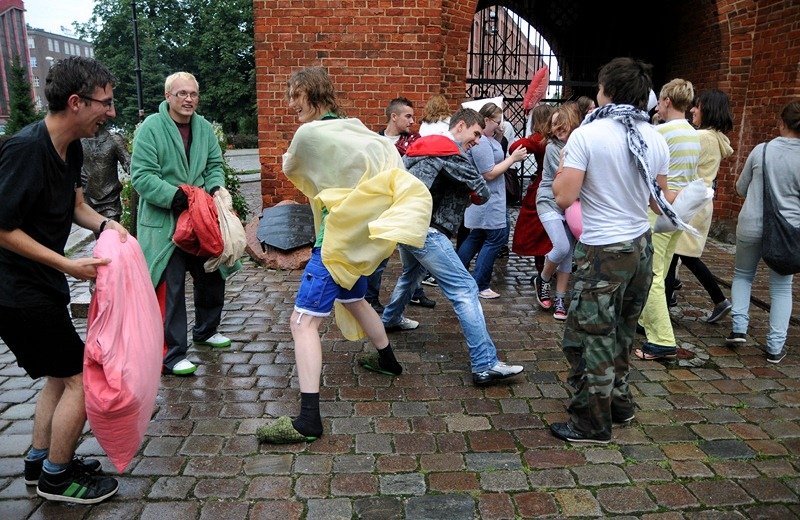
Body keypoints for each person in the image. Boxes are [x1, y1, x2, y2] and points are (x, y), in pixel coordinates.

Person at [257, 67, 430, 443]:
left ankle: (307, 420)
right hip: (362, 239)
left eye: (294, 96)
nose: (290, 105)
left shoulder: (310, 134)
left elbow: (292, 166)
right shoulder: (357, 129)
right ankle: (388, 361)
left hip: (333, 240)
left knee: (302, 323)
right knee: (355, 298)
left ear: (311, 95)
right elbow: (387, 161)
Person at [0, 56, 125, 504]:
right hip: (15, 291)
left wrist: (108, 227)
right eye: (104, 103)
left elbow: (76, 207)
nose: (110, 112)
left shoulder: (71, 148)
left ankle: (39, 462)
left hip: (41, 287)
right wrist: (67, 265)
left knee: (58, 375)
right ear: (76, 102)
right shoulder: (24, 149)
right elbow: (1, 226)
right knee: (82, 377)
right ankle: (58, 477)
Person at [549, 57, 670, 444]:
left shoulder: (589, 135)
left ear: (608, 92)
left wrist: (560, 176)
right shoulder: (654, 136)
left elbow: (566, 196)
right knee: (622, 331)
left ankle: (591, 423)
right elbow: (658, 202)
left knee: (590, 337)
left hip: (603, 250)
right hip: (640, 247)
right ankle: (619, 404)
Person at [381, 108, 525, 385]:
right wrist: (469, 195)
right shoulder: (450, 152)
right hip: (429, 231)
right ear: (461, 126)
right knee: (466, 289)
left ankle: (390, 319)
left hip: (407, 226)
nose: (477, 141)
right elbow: (482, 190)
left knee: (411, 274)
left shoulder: (416, 149)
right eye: (475, 134)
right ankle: (485, 364)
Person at [131, 72, 238, 376]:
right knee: (171, 286)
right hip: (165, 222)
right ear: (168, 97)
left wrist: (216, 188)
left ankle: (206, 330)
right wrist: (177, 197)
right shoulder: (151, 128)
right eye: (181, 94)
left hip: (201, 217)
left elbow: (215, 165)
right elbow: (142, 175)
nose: (189, 99)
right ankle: (172, 354)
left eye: (193, 93)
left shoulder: (204, 128)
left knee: (212, 273)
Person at [726, 100, 800, 364]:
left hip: (751, 223)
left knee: (743, 275)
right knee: (781, 288)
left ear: (781, 123)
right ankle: (774, 346)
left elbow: (741, 188)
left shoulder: (761, 151)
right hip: (787, 231)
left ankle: (738, 328)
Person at [636, 78, 700, 361]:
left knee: (653, 274)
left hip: (658, 211)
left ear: (666, 101)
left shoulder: (661, 132)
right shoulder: (693, 133)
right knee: (661, 268)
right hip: (680, 211)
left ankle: (661, 339)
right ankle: (644, 320)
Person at [665, 90, 734, 322]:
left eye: (698, 106)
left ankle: (663, 309)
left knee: (674, 254)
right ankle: (718, 300)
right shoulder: (714, 138)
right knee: (683, 255)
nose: (693, 110)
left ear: (708, 110)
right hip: (699, 203)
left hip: (690, 202)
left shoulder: (702, 138)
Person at [367, 97, 434, 312]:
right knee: (381, 253)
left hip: (405, 202)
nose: (412, 121)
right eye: (408, 116)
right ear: (393, 117)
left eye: (413, 116)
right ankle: (370, 297)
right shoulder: (373, 141)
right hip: (380, 202)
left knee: (413, 249)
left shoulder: (414, 140)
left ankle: (415, 292)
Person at [457, 103, 528, 299]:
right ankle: (480, 283)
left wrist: (497, 136)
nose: (500, 125)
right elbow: (488, 172)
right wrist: (513, 158)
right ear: (486, 120)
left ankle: (457, 275)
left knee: (477, 237)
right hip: (487, 199)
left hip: (491, 199)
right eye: (497, 121)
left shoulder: (488, 139)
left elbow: (495, 155)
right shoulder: (481, 143)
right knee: (495, 238)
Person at [532, 103, 582, 320]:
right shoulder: (553, 148)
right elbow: (563, 180)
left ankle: (560, 298)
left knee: (568, 254)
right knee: (560, 246)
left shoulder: (579, 145)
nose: (558, 132)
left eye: (563, 128)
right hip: (550, 200)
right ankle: (543, 279)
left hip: (571, 204)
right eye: (555, 128)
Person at [510, 104, 555, 276]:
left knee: (540, 228)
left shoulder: (540, 139)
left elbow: (514, 147)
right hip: (555, 183)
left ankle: (543, 268)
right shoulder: (548, 139)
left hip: (543, 184)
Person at [81, 127, 131, 224]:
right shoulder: (79, 140)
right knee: (99, 237)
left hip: (110, 201)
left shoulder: (114, 139)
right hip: (89, 200)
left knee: (109, 235)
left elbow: (128, 163)